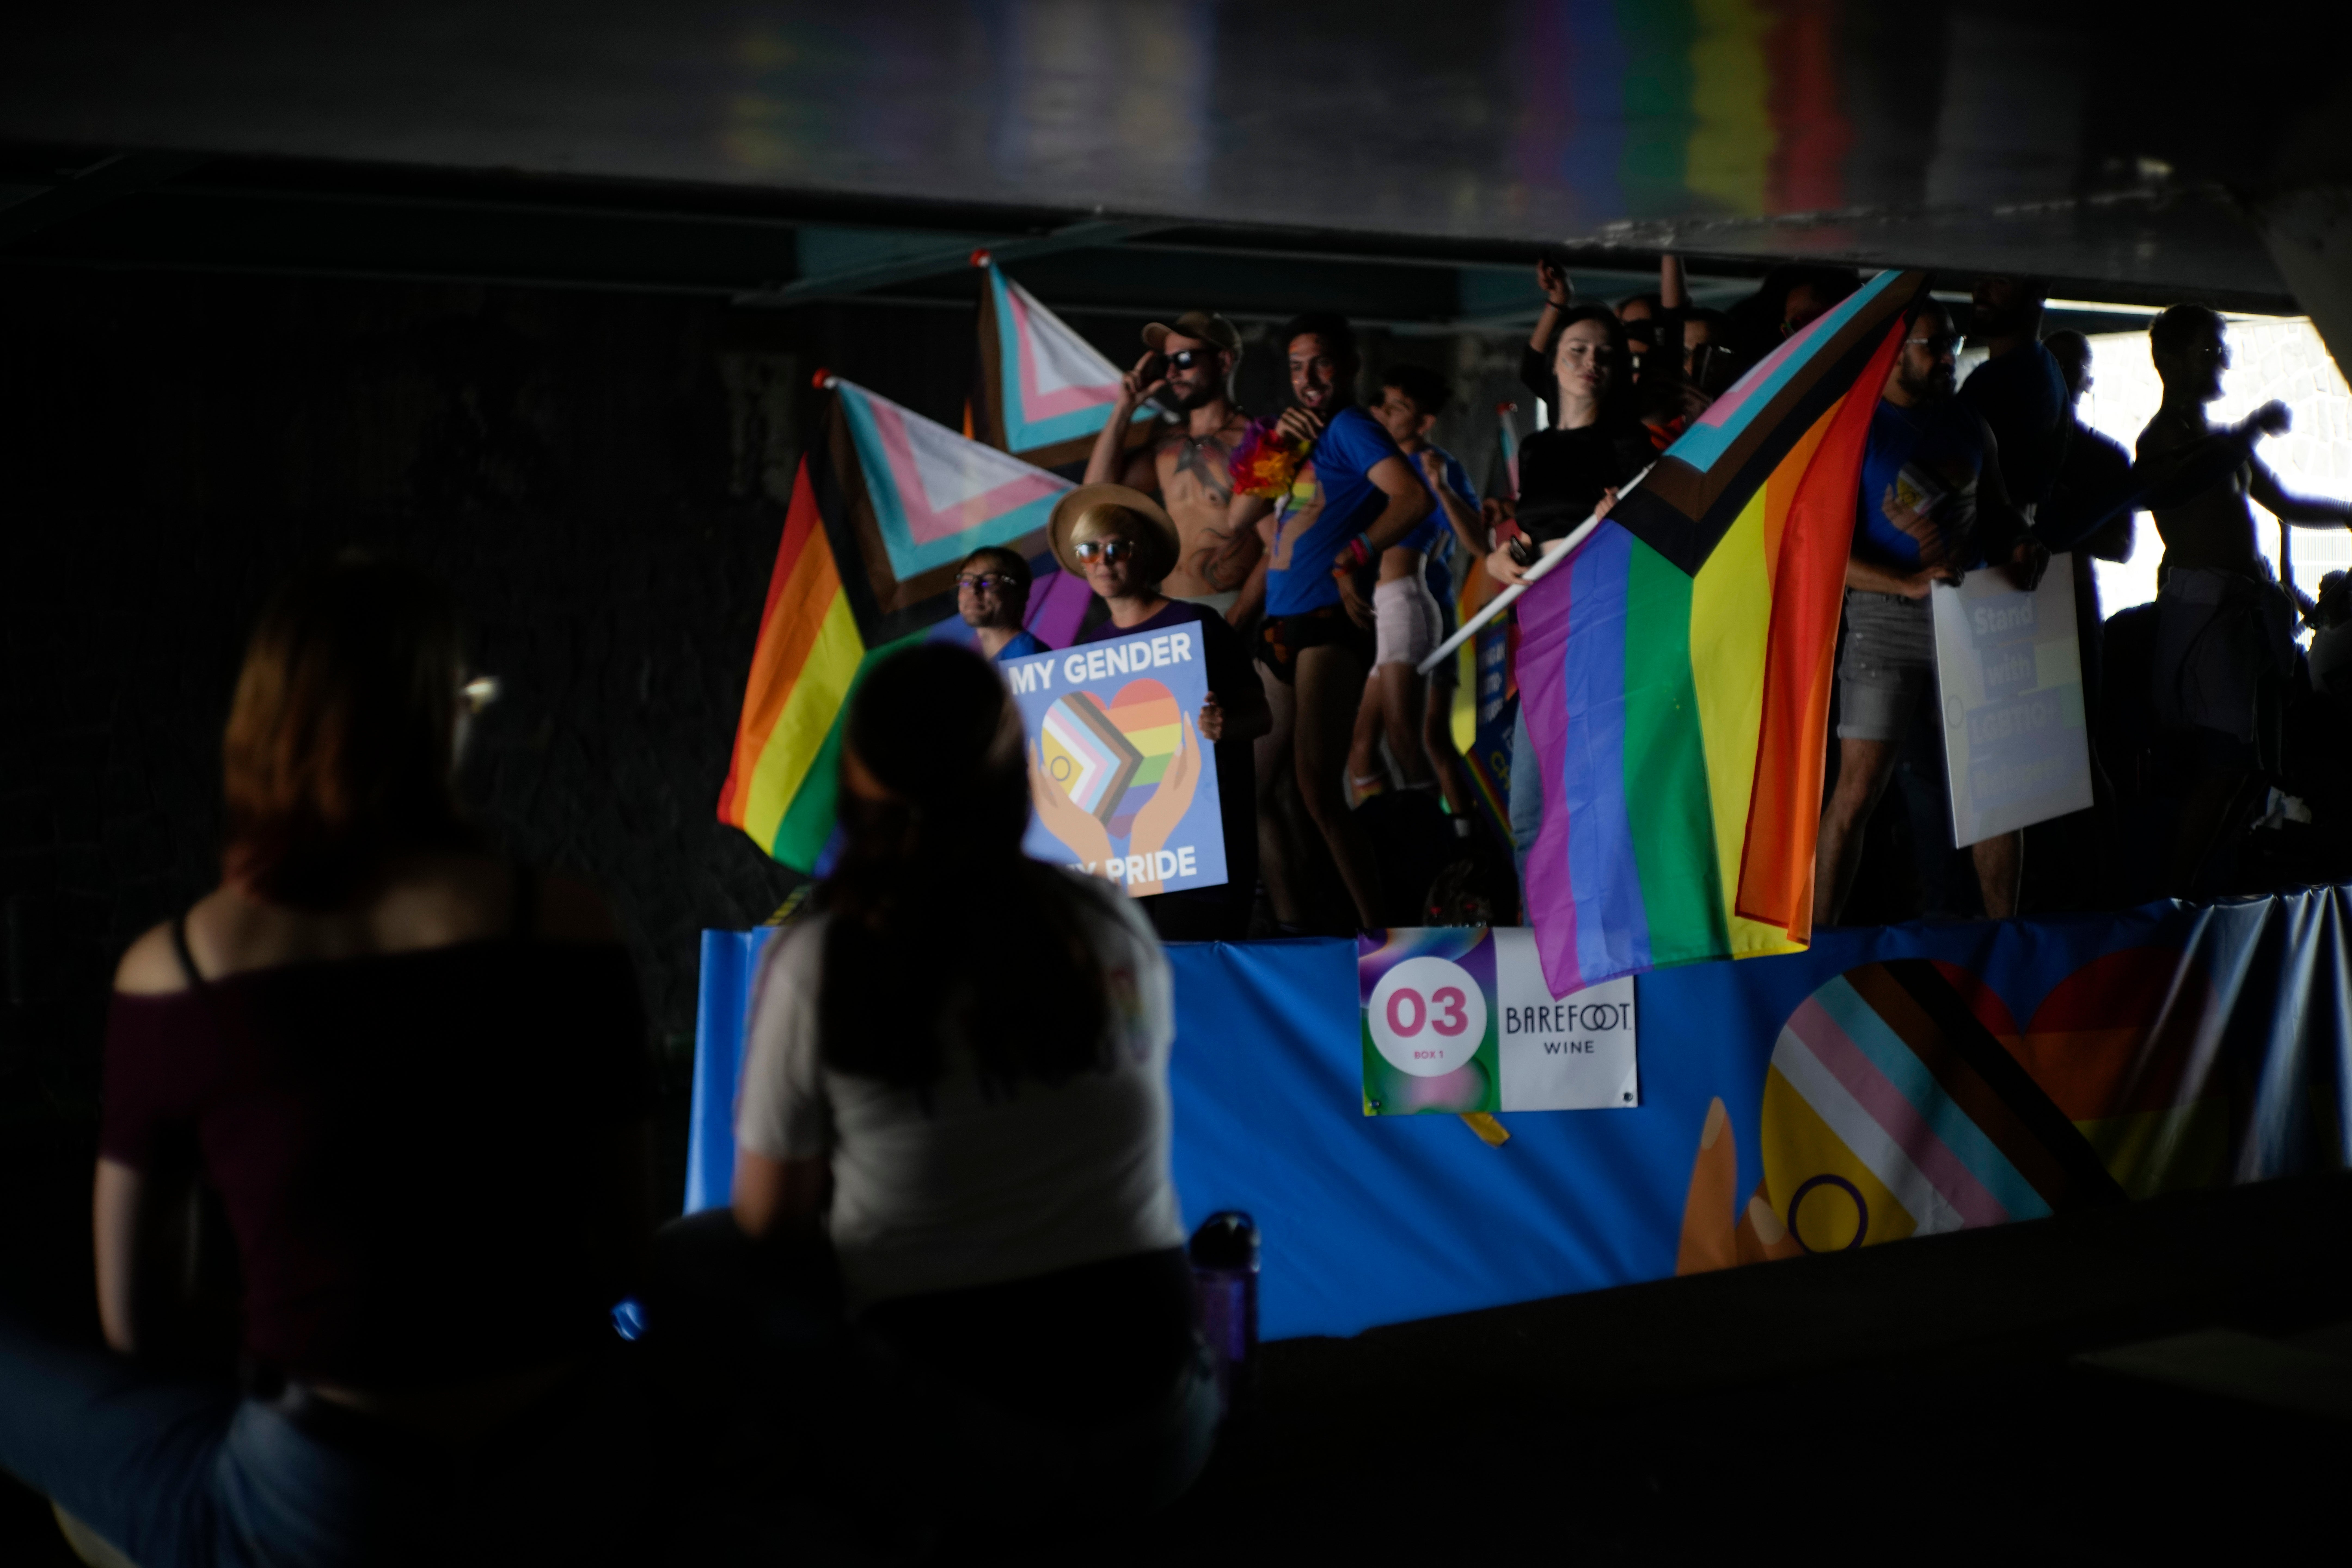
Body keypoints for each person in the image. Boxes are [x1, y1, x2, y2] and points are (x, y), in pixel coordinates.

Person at [0, 553, 658, 1567]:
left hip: (331, 1500)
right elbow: (622, 1251)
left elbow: (138, 1319)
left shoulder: (179, 970)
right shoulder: (568, 923)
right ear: (435, 721)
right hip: (561, 1468)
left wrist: (306, 1320)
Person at [726, 641, 1218, 1527]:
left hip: (942, 1441)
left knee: (696, 1259)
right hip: (1158, 1425)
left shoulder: (822, 959)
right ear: (1013, 776)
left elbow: (768, 1222)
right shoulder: (1104, 921)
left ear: (859, 780)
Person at [1814, 299, 2048, 924]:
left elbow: (1999, 510)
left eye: (1953, 343)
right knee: (1858, 790)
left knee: (1997, 789)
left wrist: (2021, 543)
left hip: (1971, 613)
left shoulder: (1967, 421)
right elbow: (1819, 551)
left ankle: (2005, 936)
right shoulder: (1856, 429)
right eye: (1933, 345)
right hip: (1884, 618)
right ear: (1892, 353)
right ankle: (1817, 945)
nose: (1949, 357)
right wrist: (1905, 581)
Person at [2137, 304, 2352, 896]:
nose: (2221, 362)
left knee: (2256, 764)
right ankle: (2176, 893)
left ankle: (2209, 882)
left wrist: (2347, 513)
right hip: (2206, 614)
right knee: (2227, 762)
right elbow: (2190, 478)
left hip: (2245, 614)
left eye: (2221, 350)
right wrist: (2253, 429)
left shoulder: (2222, 442)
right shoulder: (2160, 441)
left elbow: (2284, 502)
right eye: (2208, 351)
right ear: (2169, 359)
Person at [1226, 314, 1431, 931]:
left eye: (1320, 363)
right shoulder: (1290, 435)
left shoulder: (1350, 427)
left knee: (1317, 789)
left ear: (1348, 367)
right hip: (1279, 626)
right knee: (1258, 791)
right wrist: (1275, 447)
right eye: (1296, 367)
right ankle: (1298, 929)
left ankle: (1378, 931)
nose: (1308, 378)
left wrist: (1355, 553)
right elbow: (1240, 520)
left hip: (1328, 625)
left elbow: (1413, 497)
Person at [1052, 483, 1270, 941]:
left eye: (1118, 547)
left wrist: (1226, 726)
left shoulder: (1197, 624)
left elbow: (1261, 715)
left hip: (1205, 854)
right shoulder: (1085, 653)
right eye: (1090, 550)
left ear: (1143, 554)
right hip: (1125, 865)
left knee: (1195, 973)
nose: (1104, 561)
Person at [1485, 304, 1655, 881]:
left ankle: (1602, 927)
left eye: (1605, 354)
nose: (1591, 362)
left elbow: (1657, 544)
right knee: (1529, 814)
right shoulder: (1535, 448)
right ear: (1554, 363)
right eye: (1577, 350)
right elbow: (1534, 535)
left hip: (1601, 627)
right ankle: (1540, 934)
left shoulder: (1628, 443)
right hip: (1543, 629)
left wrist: (1625, 526)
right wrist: (1499, 557)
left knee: (1596, 805)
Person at [1349, 362, 1471, 808]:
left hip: (1412, 604)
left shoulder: (1435, 469)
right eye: (1381, 403)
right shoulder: (1370, 466)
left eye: (1397, 407)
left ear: (1424, 422)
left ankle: (1452, 837)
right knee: (1362, 749)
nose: (1382, 412)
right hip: (1374, 610)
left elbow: (1472, 538)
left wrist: (1444, 491)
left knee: (1419, 739)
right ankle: (1391, 837)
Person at [1083, 310, 1258, 615]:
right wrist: (1124, 408)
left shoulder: (1255, 442)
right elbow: (1097, 494)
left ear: (1224, 361)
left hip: (1232, 608)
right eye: (1167, 363)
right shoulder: (1167, 443)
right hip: (1172, 607)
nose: (1172, 373)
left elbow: (1280, 545)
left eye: (1185, 360)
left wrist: (1238, 616)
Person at [956, 546, 1049, 660]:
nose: (973, 589)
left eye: (988, 581)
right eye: (966, 581)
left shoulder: (1031, 660)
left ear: (1020, 593)